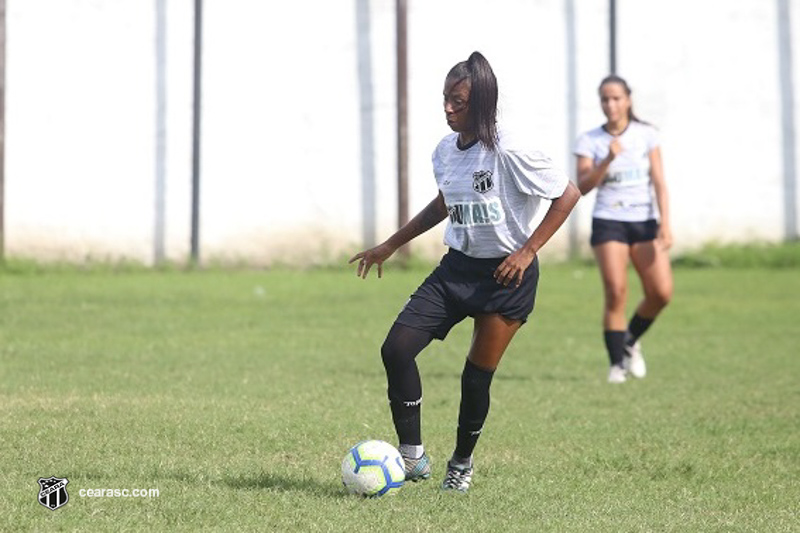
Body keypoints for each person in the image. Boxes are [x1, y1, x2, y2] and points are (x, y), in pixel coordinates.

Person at [349, 51, 580, 493]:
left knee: (475, 377)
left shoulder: (510, 148)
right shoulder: (444, 151)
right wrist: (390, 245)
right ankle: (413, 458)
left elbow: (567, 195)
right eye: (445, 99)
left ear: (483, 104)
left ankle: (461, 463)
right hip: (455, 271)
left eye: (458, 101)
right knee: (396, 349)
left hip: (506, 279)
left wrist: (528, 251)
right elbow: (445, 202)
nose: (449, 108)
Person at [574, 74, 673, 384]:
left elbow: (659, 181)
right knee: (616, 292)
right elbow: (584, 186)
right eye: (605, 98)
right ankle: (617, 365)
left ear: (628, 100)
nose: (610, 104)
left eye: (616, 98)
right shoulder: (590, 140)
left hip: (644, 222)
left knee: (661, 293)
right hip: (609, 222)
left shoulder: (646, 135)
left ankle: (629, 340)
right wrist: (606, 160)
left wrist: (665, 223)